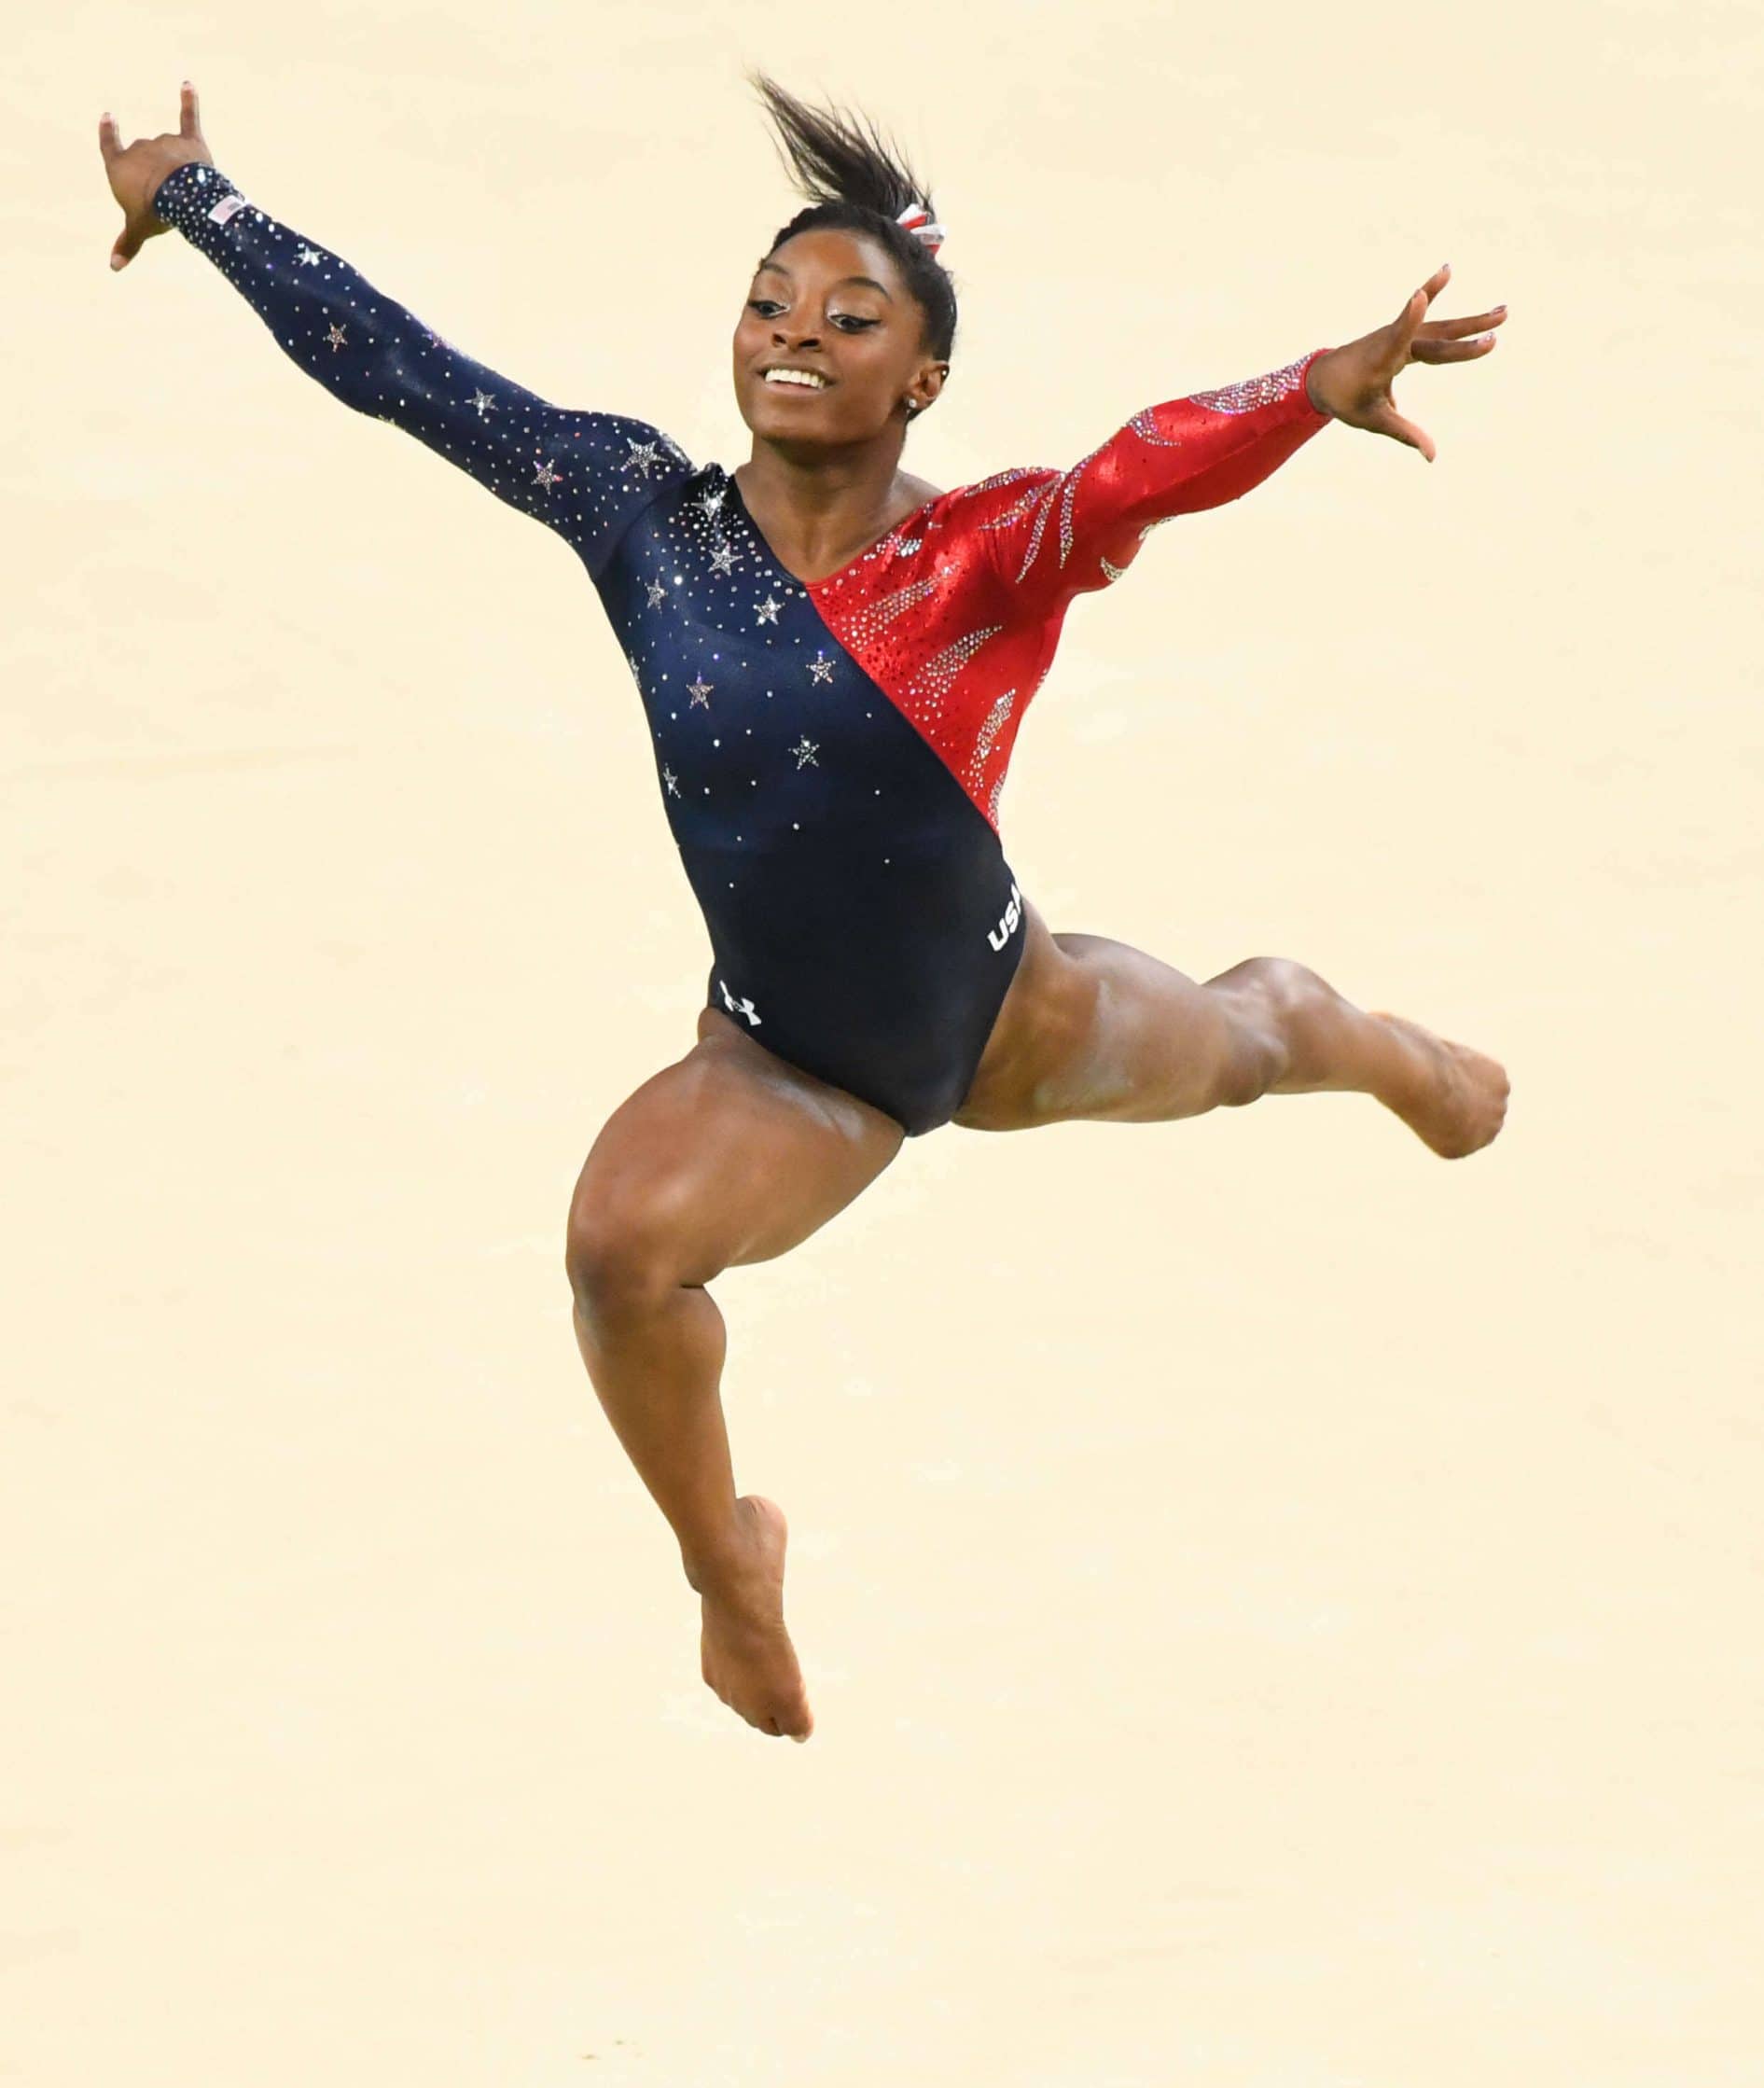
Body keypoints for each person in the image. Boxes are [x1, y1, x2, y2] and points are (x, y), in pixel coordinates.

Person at [100, 73, 1510, 1745]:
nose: (794, 334)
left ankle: (1363, 1038)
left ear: (922, 380)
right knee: (620, 1254)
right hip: (789, 1060)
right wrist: (200, 200)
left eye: (849, 319)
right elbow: (408, 372)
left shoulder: (986, 551)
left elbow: (1136, 475)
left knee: (1250, 1045)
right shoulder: (642, 514)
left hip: (1005, 1016)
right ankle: (728, 1568)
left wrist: (1307, 389)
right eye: (769, 303)